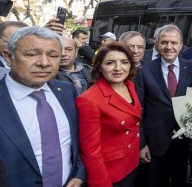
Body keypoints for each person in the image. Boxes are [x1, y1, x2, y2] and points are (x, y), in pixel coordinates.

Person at [0, 26, 84, 186]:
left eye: (53, 55)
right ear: (9, 57)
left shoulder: (66, 91)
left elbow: (76, 142)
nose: (44, 63)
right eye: (31, 54)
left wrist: (79, 174)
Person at [76, 42, 142, 187]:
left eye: (124, 62)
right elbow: (90, 151)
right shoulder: (89, 100)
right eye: (110, 63)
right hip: (109, 173)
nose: (118, 68)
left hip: (130, 163)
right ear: (99, 66)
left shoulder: (129, 85)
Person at [137, 24, 192, 187]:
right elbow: (139, 110)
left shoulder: (190, 67)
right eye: (164, 42)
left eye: (173, 43)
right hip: (154, 141)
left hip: (183, 140)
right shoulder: (145, 69)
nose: (169, 47)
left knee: (180, 182)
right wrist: (142, 144)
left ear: (181, 44)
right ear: (157, 43)